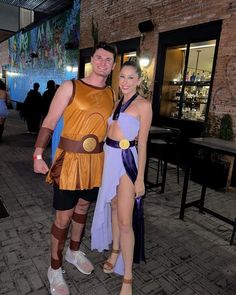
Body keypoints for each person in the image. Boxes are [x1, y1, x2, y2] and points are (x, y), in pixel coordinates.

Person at [33, 41, 117, 295]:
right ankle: (54, 268)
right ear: (93, 59)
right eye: (100, 57)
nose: (103, 63)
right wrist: (38, 154)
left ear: (113, 65)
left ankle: (73, 252)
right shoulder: (71, 86)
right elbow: (49, 120)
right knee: (63, 216)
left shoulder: (112, 93)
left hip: (96, 161)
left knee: (83, 208)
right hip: (69, 160)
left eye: (108, 60)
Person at [91, 60, 152, 295]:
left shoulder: (144, 105)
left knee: (126, 221)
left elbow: (144, 144)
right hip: (110, 158)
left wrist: (140, 179)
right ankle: (115, 250)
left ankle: (128, 276)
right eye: (122, 77)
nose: (125, 82)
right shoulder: (117, 102)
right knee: (114, 207)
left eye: (130, 77)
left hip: (127, 162)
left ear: (138, 80)